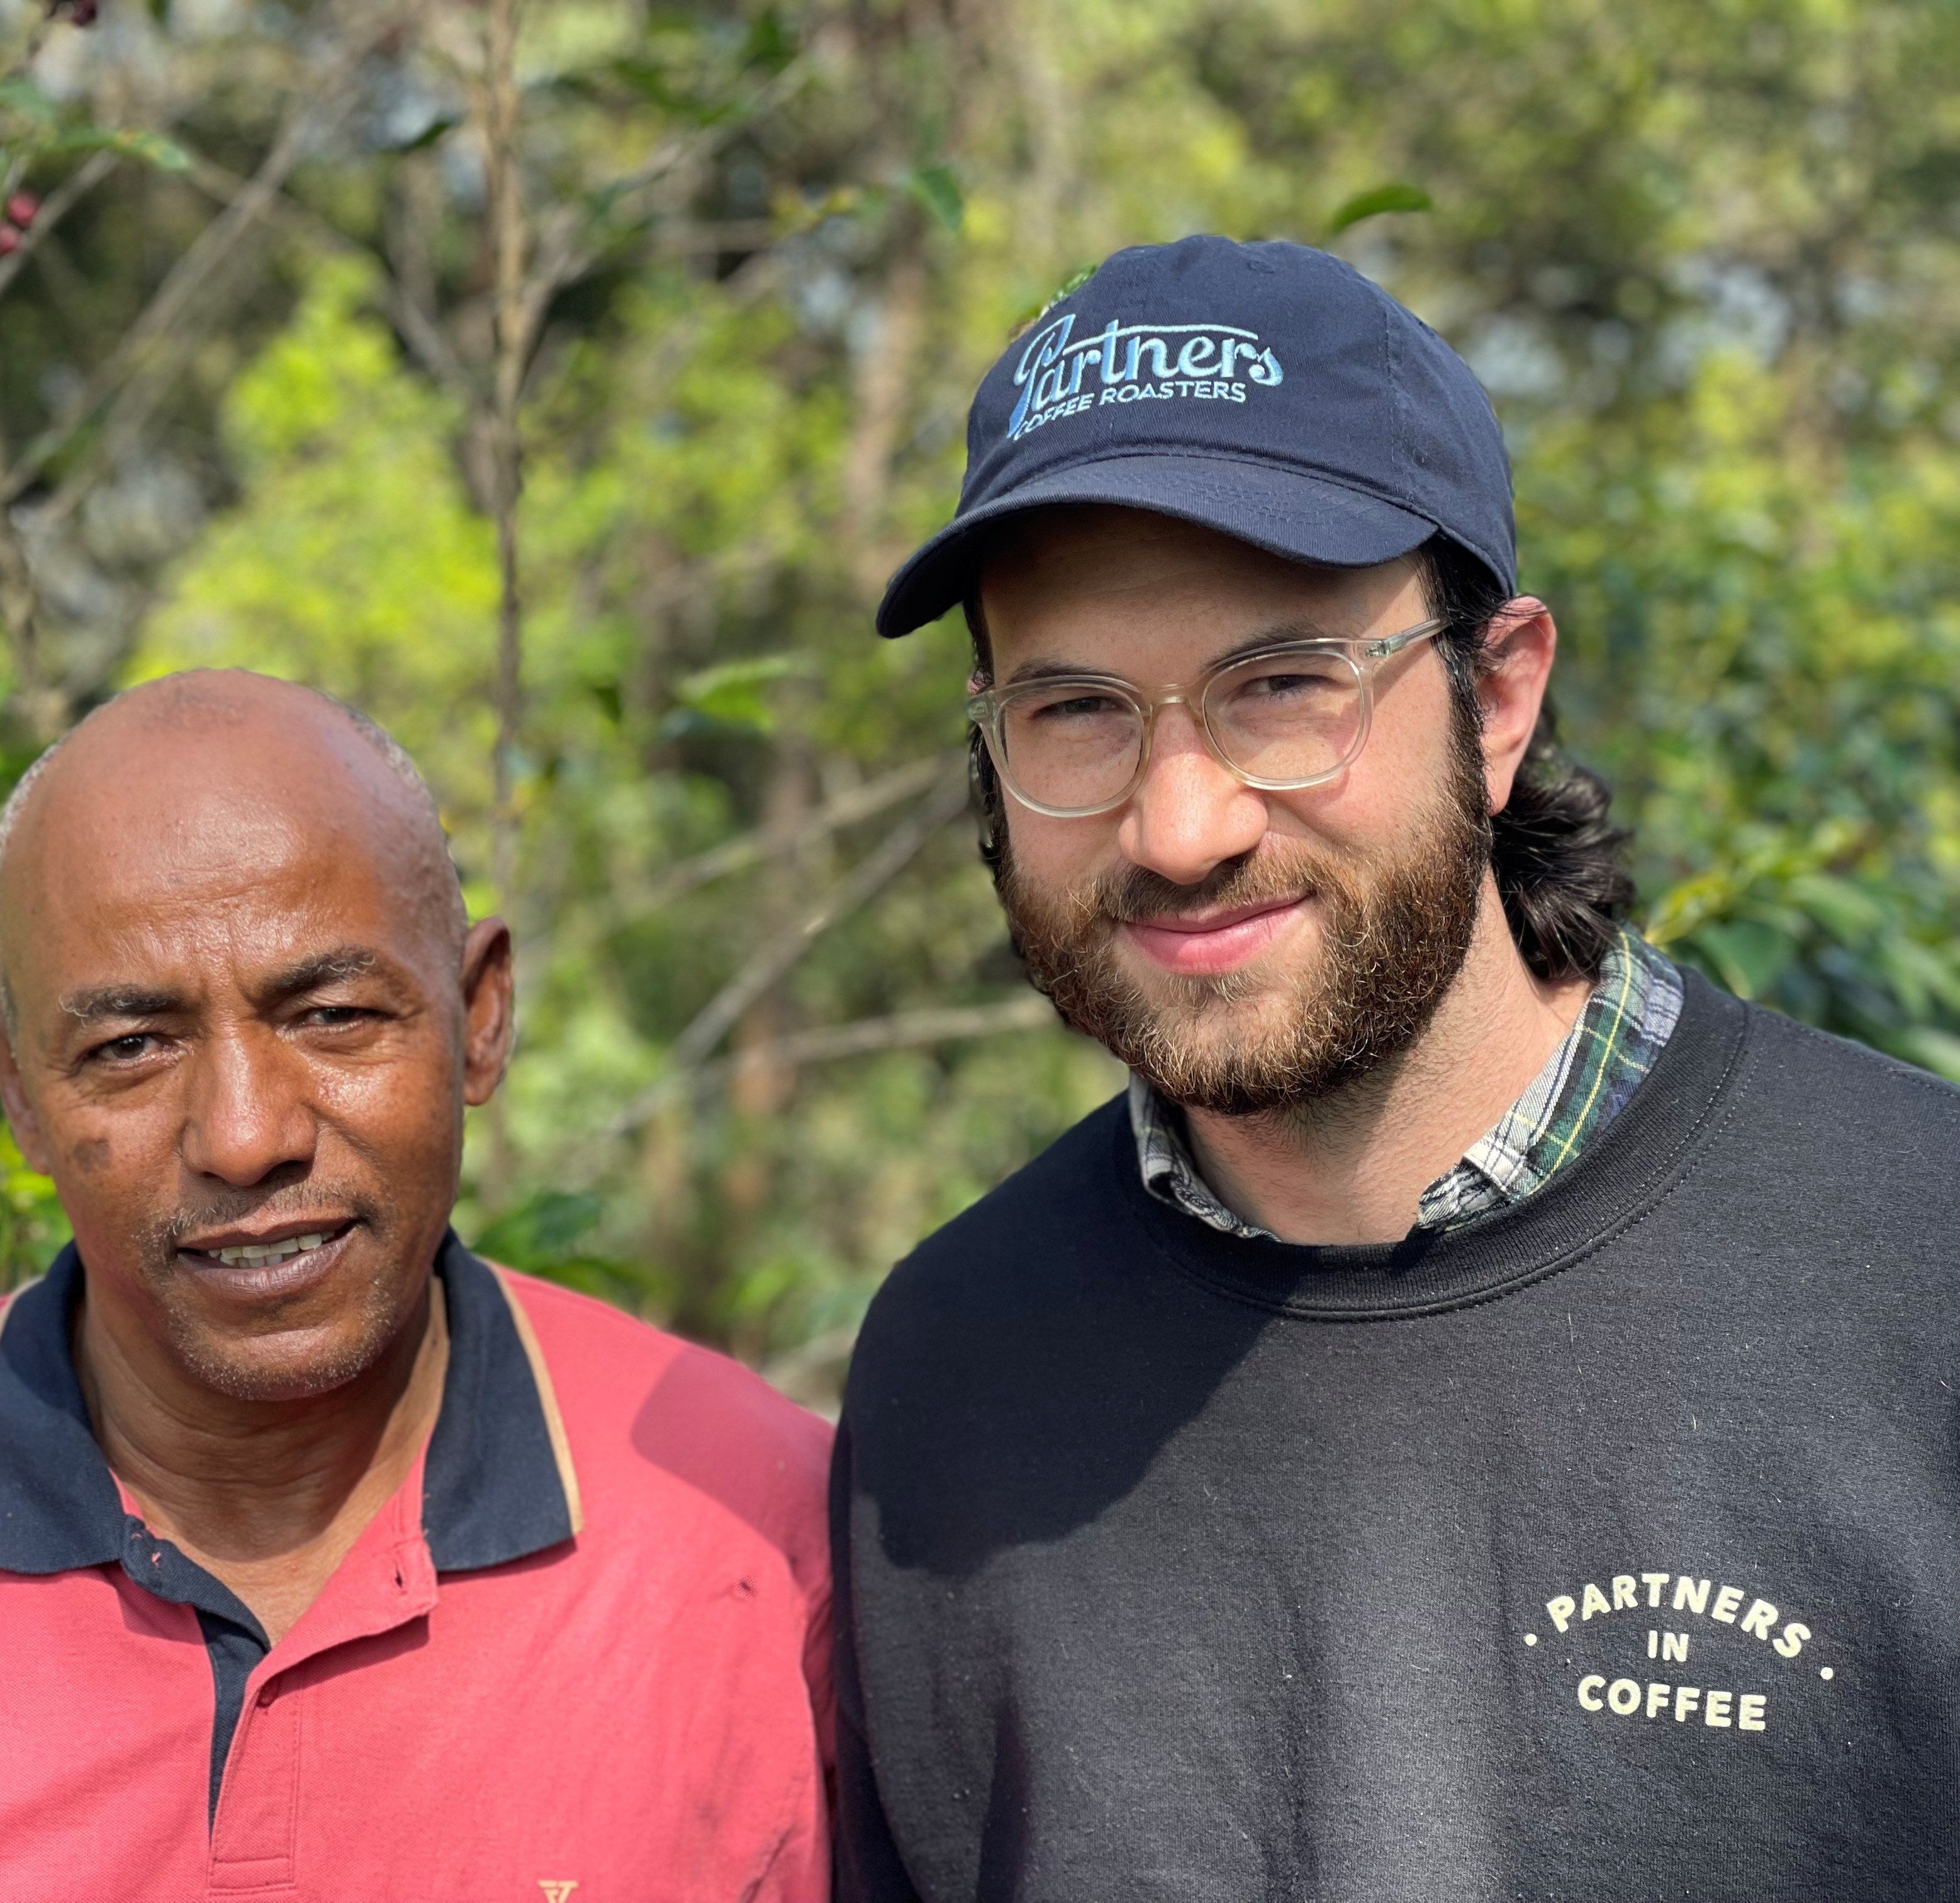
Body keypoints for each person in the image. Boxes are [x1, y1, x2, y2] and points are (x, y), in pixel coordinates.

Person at [833, 236, 1959, 1900]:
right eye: (1076, 711)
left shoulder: (1919, 1272)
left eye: (1283, 686)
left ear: (1497, 700)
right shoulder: (952, 1367)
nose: (1182, 824)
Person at [0, 671, 834, 1902]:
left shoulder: (776, 1540)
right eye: (130, 1046)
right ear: (14, 1087)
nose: (246, 1134)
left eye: (333, 1017)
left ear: (478, 1020)